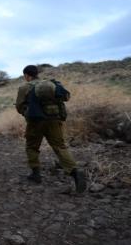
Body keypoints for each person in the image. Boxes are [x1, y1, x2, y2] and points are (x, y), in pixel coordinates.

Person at [15, 65, 86, 193]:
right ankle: (75, 172)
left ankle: (35, 174)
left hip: (35, 122)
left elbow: (19, 106)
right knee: (60, 146)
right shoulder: (51, 84)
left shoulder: (24, 87)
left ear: (26, 75)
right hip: (54, 119)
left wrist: (27, 112)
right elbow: (65, 97)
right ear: (37, 74)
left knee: (32, 146)